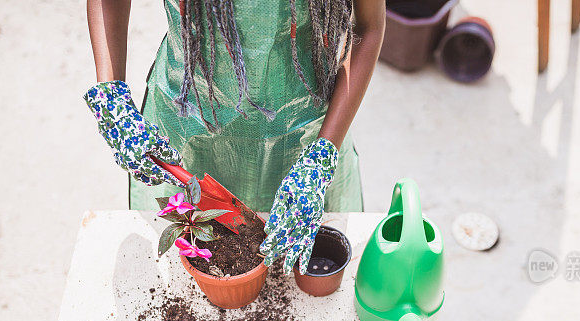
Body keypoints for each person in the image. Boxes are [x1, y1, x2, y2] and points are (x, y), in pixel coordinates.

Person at [84, 0, 384, 273]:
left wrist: (322, 154)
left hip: (307, 139)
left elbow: (370, 27)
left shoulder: (315, 152)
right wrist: (112, 97)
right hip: (187, 126)